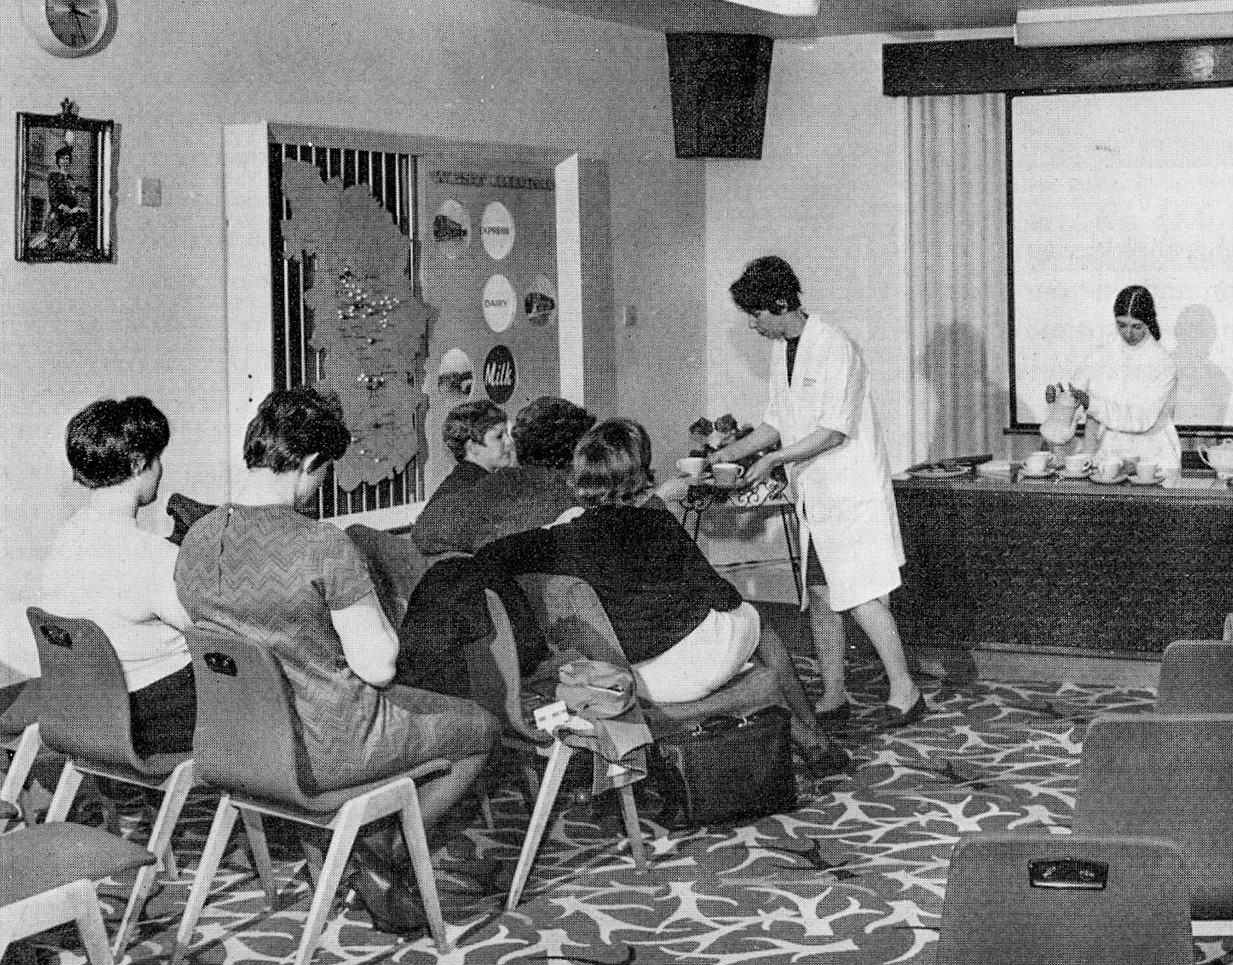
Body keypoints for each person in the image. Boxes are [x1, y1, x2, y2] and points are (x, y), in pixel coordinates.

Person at [175, 387, 498, 933]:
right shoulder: (323, 545)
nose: (322, 486)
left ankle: (366, 842)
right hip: (332, 745)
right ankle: (385, 845)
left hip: (237, 743)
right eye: (325, 472)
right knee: (479, 727)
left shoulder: (199, 538)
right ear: (306, 465)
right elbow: (379, 668)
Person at [474, 419, 852, 774]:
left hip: (621, 675)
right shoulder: (656, 522)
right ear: (639, 472)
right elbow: (724, 598)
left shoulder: (560, 537)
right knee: (757, 621)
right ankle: (814, 738)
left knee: (738, 633)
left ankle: (792, 725)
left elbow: (489, 557)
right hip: (682, 670)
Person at [711, 256, 925, 729]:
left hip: (850, 492)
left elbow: (834, 431)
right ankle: (834, 695)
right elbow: (776, 422)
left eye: (757, 313)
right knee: (822, 594)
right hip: (818, 495)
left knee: (863, 594)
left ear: (781, 304)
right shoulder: (783, 349)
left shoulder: (834, 346)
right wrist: (729, 454)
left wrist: (771, 460)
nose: (752, 324)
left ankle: (905, 692)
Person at [37, 397, 196, 756]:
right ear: (140, 464)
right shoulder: (150, 555)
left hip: (86, 712)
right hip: (151, 718)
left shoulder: (64, 540)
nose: (160, 469)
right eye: (157, 459)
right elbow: (211, 629)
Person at [410, 395, 594, 556]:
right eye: (499, 436)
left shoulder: (495, 486)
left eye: (508, 434)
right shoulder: (497, 487)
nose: (509, 442)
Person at [1048, 285, 1182, 476]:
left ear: (1148, 321)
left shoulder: (1162, 362)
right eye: (1121, 325)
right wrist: (1059, 404)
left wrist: (1091, 404)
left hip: (1154, 461)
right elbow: (1073, 404)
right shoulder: (1102, 354)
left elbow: (1141, 419)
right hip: (1109, 458)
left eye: (1136, 326)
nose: (1128, 333)